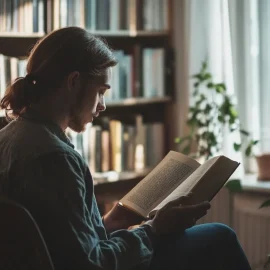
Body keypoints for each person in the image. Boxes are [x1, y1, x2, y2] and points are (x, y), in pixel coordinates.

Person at [0, 27, 251, 270]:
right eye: (100, 92)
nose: (102, 106)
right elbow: (90, 263)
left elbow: (63, 241)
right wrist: (153, 230)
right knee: (220, 236)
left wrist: (115, 220)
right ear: (73, 81)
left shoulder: (9, 137)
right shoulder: (56, 159)